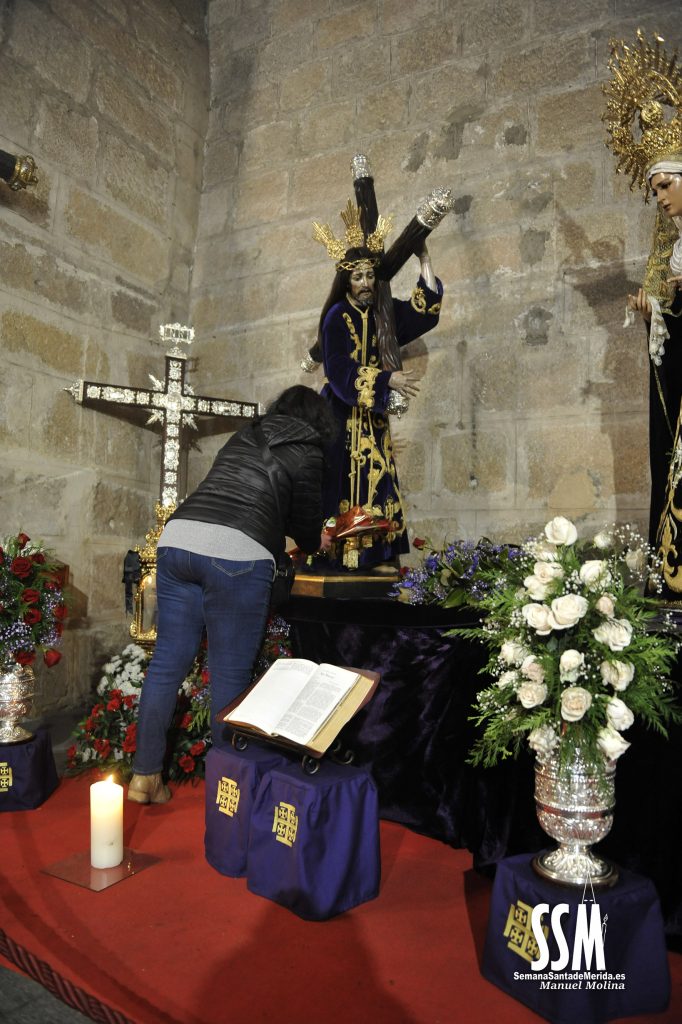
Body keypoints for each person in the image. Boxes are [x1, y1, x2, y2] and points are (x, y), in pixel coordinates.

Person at [127, 385, 335, 803]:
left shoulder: (246, 433)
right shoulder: (309, 450)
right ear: (318, 420)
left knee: (166, 665)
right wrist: (320, 540)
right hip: (237, 557)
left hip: (178, 541)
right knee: (230, 676)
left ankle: (144, 777)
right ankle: (228, 793)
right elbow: (306, 526)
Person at [312, 199, 444, 570]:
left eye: (371, 275)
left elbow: (422, 315)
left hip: (373, 419)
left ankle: (379, 560)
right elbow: (339, 371)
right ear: (346, 280)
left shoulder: (382, 313)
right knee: (340, 486)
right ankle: (341, 559)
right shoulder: (337, 317)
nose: (367, 283)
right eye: (358, 277)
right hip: (341, 417)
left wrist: (424, 258)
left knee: (381, 483)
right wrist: (387, 379)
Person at [604, 30, 682, 601]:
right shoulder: (674, 249)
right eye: (654, 188)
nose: (659, 197)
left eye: (665, 185)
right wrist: (656, 306)